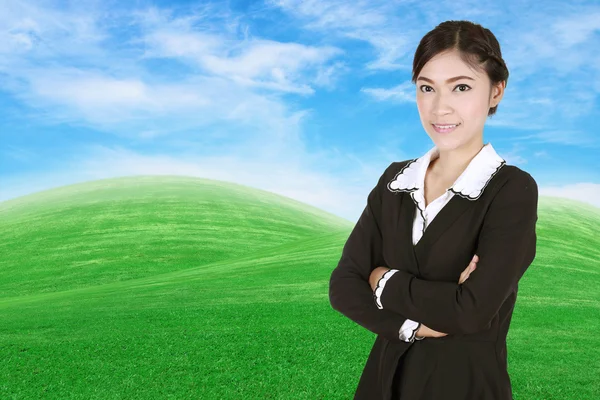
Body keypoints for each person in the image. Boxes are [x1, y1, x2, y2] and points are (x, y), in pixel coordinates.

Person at [329, 20, 538, 400]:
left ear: (496, 92)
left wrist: (383, 280)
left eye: (461, 87)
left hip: (464, 387)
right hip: (380, 384)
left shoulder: (512, 190)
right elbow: (343, 287)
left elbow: (471, 312)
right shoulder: (395, 180)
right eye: (427, 88)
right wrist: (418, 325)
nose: (440, 107)